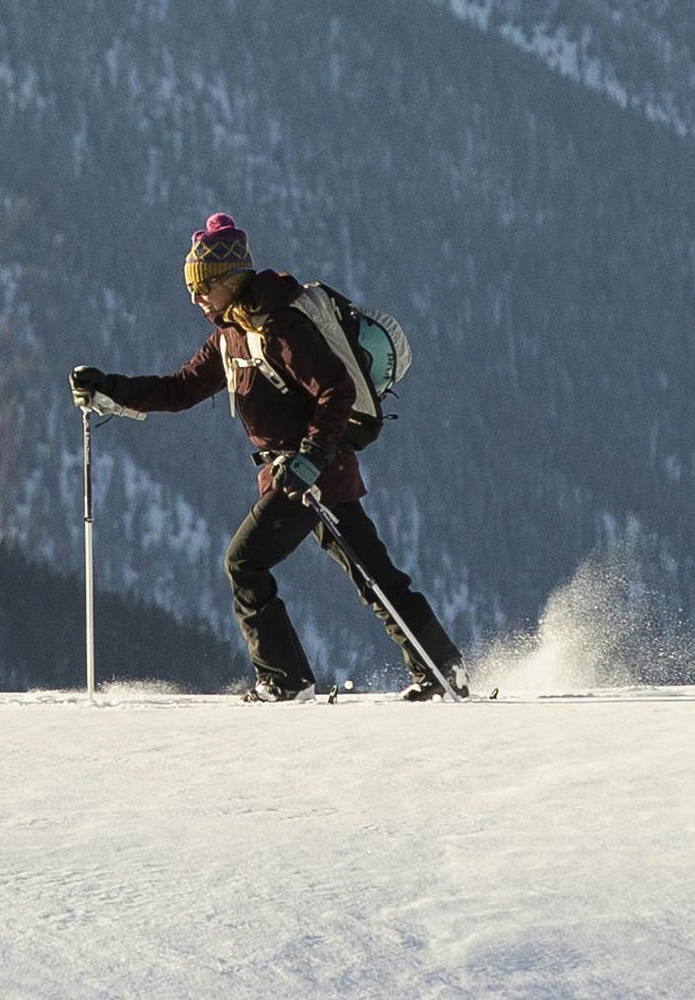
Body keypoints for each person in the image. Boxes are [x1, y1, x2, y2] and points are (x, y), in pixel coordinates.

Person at [73, 216, 466, 700]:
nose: (197, 298)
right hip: (307, 472)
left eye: (204, 286)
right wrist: (108, 389)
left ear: (231, 280)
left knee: (245, 563)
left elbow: (336, 391)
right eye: (192, 288)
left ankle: (285, 680)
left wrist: (310, 458)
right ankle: (442, 669)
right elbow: (179, 390)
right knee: (372, 573)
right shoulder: (230, 336)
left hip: (307, 472)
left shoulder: (280, 325)